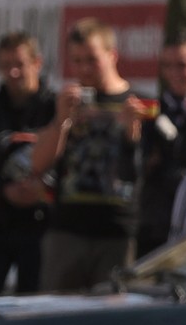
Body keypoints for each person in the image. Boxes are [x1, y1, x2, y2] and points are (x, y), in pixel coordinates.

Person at [31, 17, 156, 291]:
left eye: (92, 59)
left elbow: (148, 171)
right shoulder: (62, 102)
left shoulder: (139, 103)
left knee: (111, 316)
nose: (84, 68)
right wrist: (60, 120)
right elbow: (38, 164)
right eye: (77, 61)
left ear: (112, 55)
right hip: (67, 229)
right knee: (57, 316)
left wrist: (130, 135)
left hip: (118, 231)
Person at [0, 31, 57, 296]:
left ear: (37, 63)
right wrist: (4, 190)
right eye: (6, 66)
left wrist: (41, 191)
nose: (13, 73)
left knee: (37, 305)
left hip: (43, 225)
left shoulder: (55, 108)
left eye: (20, 65)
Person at [137, 32, 186, 255]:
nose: (174, 74)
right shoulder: (153, 111)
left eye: (182, 65)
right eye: (167, 66)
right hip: (155, 225)